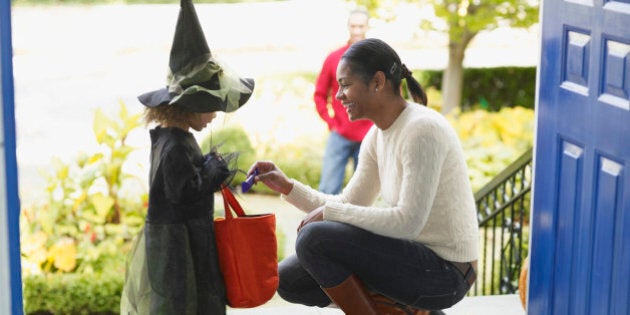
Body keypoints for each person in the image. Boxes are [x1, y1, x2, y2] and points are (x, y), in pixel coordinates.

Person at [247, 38, 479, 315]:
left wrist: (330, 213)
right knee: (290, 280)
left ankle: (411, 308)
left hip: (446, 272)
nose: (338, 95)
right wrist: (287, 186)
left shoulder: (422, 130)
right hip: (411, 258)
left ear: (378, 82)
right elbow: (349, 201)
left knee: (314, 239)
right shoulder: (377, 135)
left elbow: (407, 223)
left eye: (345, 85)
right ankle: (403, 310)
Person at [120, 1, 255, 314]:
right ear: (188, 105)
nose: (213, 115)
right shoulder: (175, 145)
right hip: (177, 246)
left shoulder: (173, 139)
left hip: (183, 237)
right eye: (210, 106)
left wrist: (207, 164)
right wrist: (212, 169)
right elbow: (184, 191)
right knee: (182, 302)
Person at [314, 8, 374, 194]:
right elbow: (319, 94)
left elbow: (391, 94)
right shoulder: (333, 58)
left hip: (369, 136)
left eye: (360, 26)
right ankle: (322, 224)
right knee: (327, 190)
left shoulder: (377, 58)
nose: (356, 30)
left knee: (364, 195)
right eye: (353, 26)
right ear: (348, 27)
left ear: (367, 27)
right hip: (339, 134)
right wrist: (331, 122)